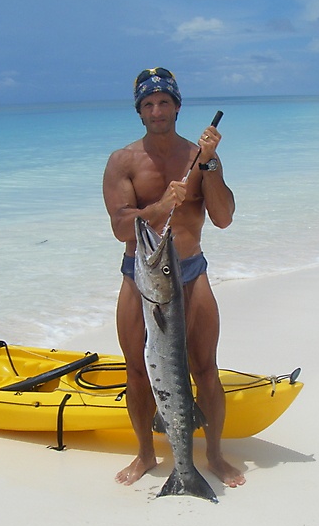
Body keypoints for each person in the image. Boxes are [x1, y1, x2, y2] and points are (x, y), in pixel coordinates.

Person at [102, 67, 245, 488]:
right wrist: (161, 204)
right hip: (141, 278)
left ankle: (214, 455)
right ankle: (146, 454)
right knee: (137, 370)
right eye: (148, 104)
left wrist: (212, 164)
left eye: (164, 102)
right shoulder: (123, 161)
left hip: (190, 271)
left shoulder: (198, 158)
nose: (157, 110)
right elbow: (121, 227)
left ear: (177, 106)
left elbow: (223, 218)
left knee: (205, 369)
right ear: (139, 112)